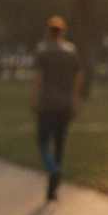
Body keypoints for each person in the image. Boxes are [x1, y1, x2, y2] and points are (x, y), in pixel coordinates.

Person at [31, 15, 83, 202]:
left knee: (42, 141)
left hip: (47, 104)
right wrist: (75, 102)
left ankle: (52, 168)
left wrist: (35, 99)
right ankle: (53, 190)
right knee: (60, 144)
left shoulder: (42, 51)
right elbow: (78, 78)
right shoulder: (71, 51)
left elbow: (38, 77)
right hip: (65, 105)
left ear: (47, 31)